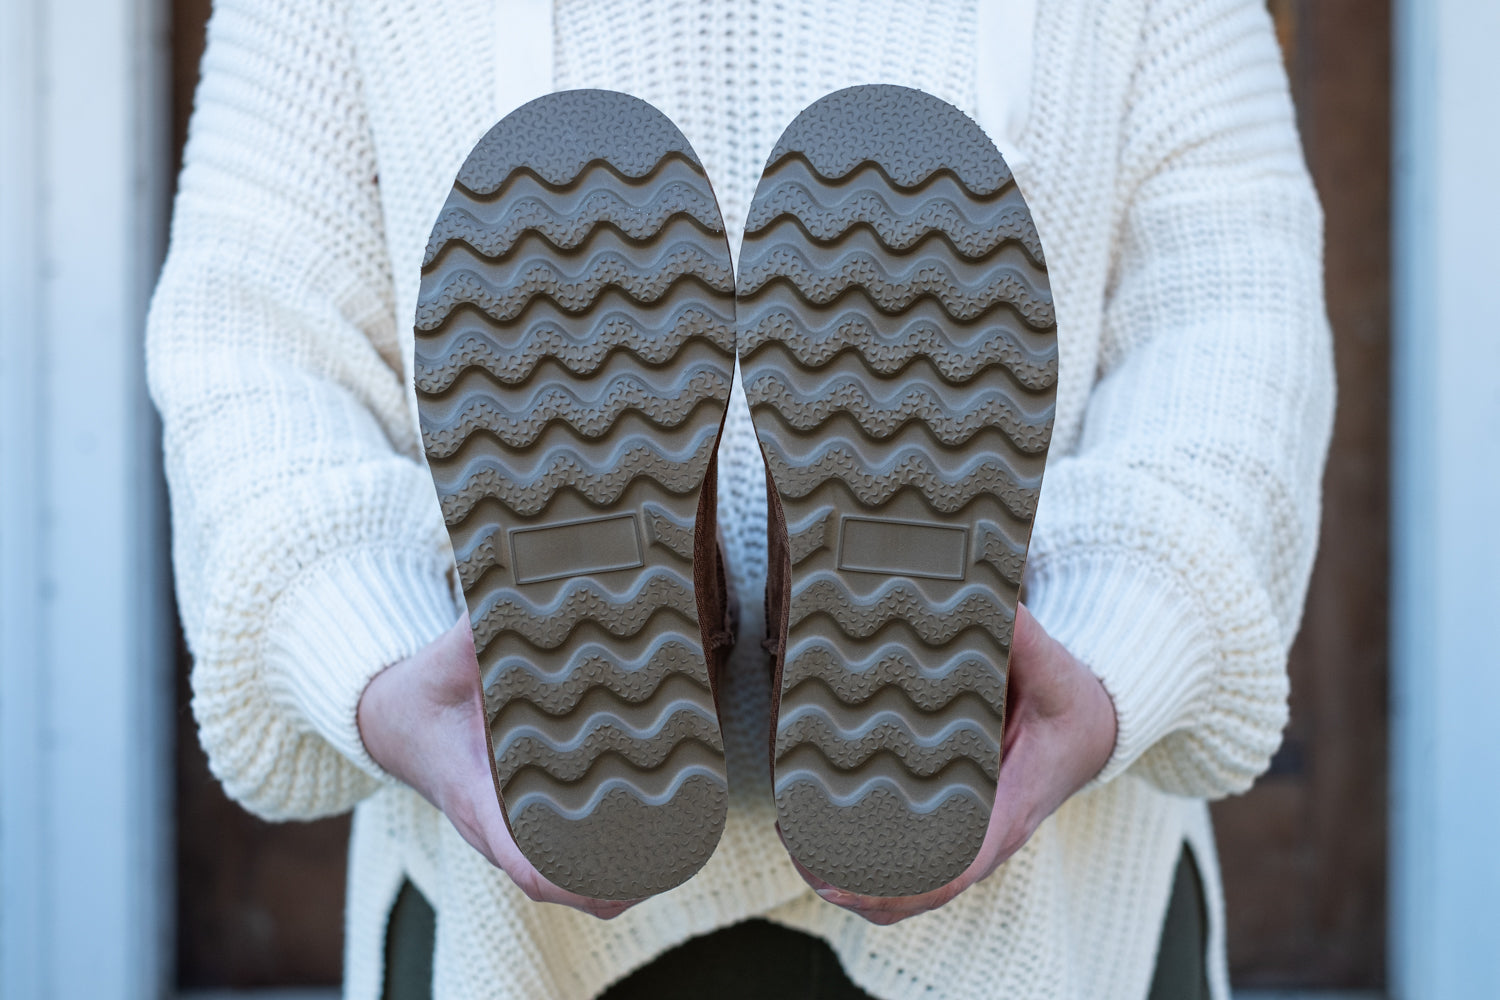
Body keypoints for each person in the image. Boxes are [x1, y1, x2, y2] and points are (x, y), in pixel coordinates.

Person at [146, 1, 1334, 998]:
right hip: (515, 910)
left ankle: (686, 603)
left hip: (1045, 900)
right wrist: (383, 664)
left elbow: (1232, 309)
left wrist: (1112, 645)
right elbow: (250, 335)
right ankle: (750, 603)